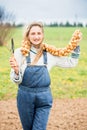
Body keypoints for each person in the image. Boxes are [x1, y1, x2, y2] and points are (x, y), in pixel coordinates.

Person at [9, 22, 82, 130]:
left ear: (43, 35)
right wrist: (15, 71)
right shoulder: (20, 53)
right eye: (33, 33)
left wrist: (75, 47)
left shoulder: (49, 53)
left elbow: (71, 62)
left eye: (39, 33)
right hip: (25, 97)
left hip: (44, 98)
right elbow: (15, 81)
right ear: (28, 35)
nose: (36, 36)